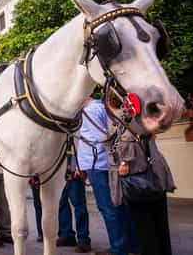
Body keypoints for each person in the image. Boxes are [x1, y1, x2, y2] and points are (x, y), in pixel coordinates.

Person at [79, 95, 138, 255]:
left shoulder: (89, 111)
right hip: (104, 163)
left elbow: (103, 137)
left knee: (108, 208)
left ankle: (119, 248)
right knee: (118, 205)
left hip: (98, 165)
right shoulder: (100, 107)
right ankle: (131, 246)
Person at [111, 121, 175, 255]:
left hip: (140, 180)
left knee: (146, 227)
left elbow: (126, 139)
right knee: (159, 225)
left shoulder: (127, 122)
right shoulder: (145, 118)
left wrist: (124, 161)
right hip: (156, 174)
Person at [56, 151, 91, 253]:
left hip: (73, 161)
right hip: (59, 164)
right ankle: (66, 234)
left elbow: (79, 143)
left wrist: (78, 166)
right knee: (61, 202)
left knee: (78, 202)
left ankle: (83, 240)